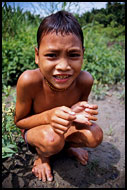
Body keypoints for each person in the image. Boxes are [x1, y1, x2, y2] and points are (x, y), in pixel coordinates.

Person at [14, 10, 103, 182]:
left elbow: (77, 120)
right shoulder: (29, 81)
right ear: (37, 56)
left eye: (73, 55)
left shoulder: (84, 80)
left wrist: (75, 113)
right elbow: (20, 121)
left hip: (63, 129)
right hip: (36, 132)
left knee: (95, 134)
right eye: (51, 55)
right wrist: (49, 116)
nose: (63, 66)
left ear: (83, 54)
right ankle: (43, 158)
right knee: (51, 139)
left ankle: (67, 148)